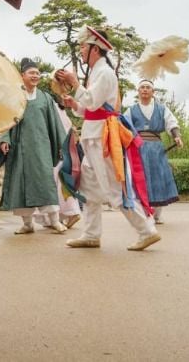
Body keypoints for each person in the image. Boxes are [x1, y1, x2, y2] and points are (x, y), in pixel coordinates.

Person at [55, 25, 160, 251]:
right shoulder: (97, 72)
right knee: (89, 187)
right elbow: (89, 108)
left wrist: (75, 84)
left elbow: (92, 102)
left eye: (84, 46)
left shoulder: (104, 73)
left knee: (113, 186)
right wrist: (75, 104)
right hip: (93, 133)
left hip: (102, 137)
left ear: (96, 49)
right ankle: (91, 234)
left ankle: (146, 230)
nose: (81, 50)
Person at [0, 58, 68, 234]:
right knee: (20, 184)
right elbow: (5, 119)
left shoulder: (46, 98)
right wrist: (5, 139)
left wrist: (61, 145)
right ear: (22, 76)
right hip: (19, 147)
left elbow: (55, 124)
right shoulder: (14, 97)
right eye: (31, 73)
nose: (35, 76)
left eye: (37, 73)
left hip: (41, 147)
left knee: (45, 182)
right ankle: (27, 224)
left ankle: (55, 221)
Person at [122, 79, 183, 223]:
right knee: (141, 179)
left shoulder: (162, 109)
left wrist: (177, 137)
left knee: (158, 178)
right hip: (138, 147)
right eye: (142, 87)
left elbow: (172, 123)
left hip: (157, 148)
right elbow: (123, 126)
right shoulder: (131, 110)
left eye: (147, 87)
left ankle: (157, 214)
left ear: (153, 92)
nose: (144, 89)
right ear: (138, 92)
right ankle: (144, 212)